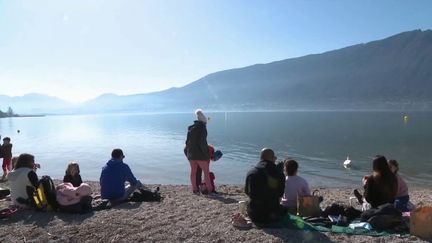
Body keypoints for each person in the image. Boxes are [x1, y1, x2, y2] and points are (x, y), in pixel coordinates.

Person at [245, 148, 286, 223]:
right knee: (284, 209)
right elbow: (280, 195)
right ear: (272, 158)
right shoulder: (279, 174)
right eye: (274, 158)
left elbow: (247, 192)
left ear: (261, 158)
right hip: (272, 216)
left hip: (254, 215)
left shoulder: (251, 172)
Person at [185, 109, 213, 194]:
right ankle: (209, 189)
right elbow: (202, 143)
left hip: (191, 154)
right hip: (200, 155)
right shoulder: (202, 128)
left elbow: (187, 142)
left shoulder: (191, 128)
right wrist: (206, 153)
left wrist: (189, 153)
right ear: (204, 122)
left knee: (193, 172)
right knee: (206, 172)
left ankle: (194, 189)